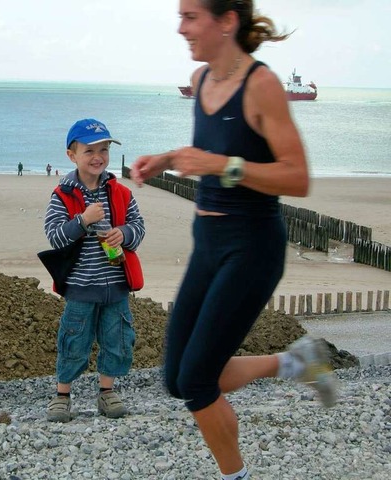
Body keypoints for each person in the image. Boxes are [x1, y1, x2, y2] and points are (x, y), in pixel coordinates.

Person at [130, 1, 337, 479]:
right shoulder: (203, 80)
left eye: (190, 16)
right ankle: (296, 362)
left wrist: (220, 167)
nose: (180, 27)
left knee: (198, 381)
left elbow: (298, 177)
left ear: (226, 21)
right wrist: (166, 159)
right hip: (208, 242)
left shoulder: (260, 85)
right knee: (176, 378)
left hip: (252, 247)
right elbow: (212, 151)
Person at [44, 118, 145, 422]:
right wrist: (83, 220)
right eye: (89, 150)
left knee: (117, 339)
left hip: (116, 283)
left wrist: (123, 234)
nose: (98, 156)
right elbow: (55, 236)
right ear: (71, 155)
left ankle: (107, 391)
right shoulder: (62, 195)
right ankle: (63, 394)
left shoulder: (121, 193)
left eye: (103, 149)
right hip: (80, 285)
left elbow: (139, 229)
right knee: (73, 340)